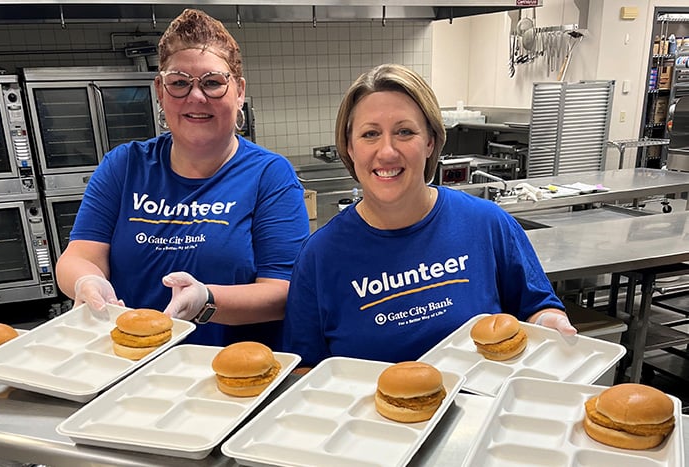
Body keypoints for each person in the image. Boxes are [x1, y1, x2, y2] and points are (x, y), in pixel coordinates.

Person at [283, 63, 576, 367]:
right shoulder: (320, 256)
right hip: (369, 414)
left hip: (484, 411)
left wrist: (549, 324)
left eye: (404, 132)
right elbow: (305, 366)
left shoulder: (486, 224)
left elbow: (537, 307)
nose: (387, 151)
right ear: (350, 148)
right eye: (370, 134)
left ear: (430, 141)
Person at [56, 8, 309, 349]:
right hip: (128, 366)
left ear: (239, 91)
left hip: (225, 375)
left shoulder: (269, 176)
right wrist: (86, 281)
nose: (196, 97)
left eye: (213, 83)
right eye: (179, 83)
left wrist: (207, 300)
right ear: (160, 91)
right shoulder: (124, 166)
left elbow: (284, 292)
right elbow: (78, 257)